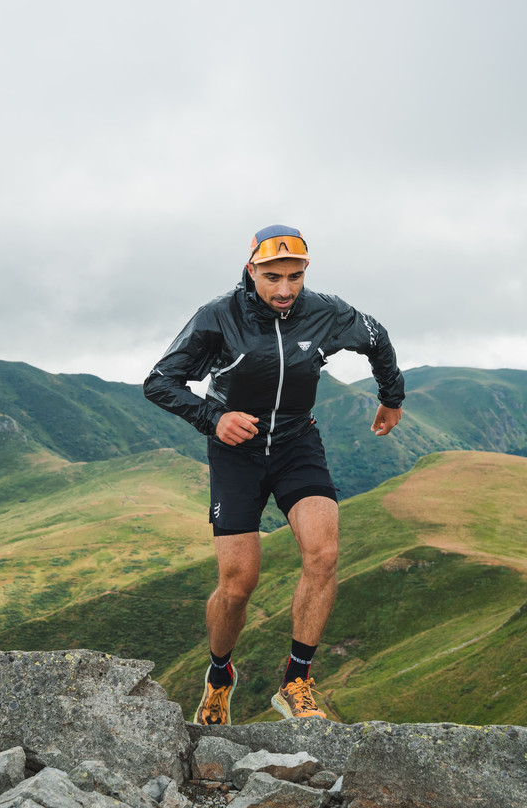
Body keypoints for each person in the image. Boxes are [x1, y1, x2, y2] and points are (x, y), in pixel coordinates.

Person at [143, 224, 405, 725]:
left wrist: (392, 397)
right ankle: (219, 675)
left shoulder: (326, 311)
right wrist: (212, 418)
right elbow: (159, 381)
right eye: (272, 277)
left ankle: (297, 681)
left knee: (324, 554)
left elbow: (378, 338)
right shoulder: (217, 317)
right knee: (239, 584)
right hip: (235, 451)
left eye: (294, 276)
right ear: (251, 270)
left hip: (295, 442)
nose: (284, 289)